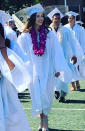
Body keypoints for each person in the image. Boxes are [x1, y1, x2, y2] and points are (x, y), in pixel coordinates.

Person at [17, 3, 72, 131]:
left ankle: (44, 123)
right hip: (33, 71)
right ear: (32, 18)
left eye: (42, 16)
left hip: (48, 69)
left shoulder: (49, 34)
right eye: (38, 16)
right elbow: (20, 53)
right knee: (37, 96)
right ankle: (42, 122)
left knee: (46, 95)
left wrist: (58, 68)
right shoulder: (25, 36)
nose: (41, 18)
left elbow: (56, 51)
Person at [48, 8, 84, 101]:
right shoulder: (47, 31)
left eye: (58, 19)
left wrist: (74, 55)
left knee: (64, 75)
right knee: (52, 75)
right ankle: (56, 90)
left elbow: (71, 43)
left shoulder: (65, 30)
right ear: (52, 19)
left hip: (63, 57)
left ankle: (63, 94)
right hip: (51, 58)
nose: (56, 20)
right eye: (55, 18)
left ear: (60, 20)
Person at [0, 22, 31, 131]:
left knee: (13, 122)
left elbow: (17, 71)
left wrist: (3, 49)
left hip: (8, 93)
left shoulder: (12, 46)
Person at [65, 11, 85, 91]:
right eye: (69, 18)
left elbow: (83, 41)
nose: (70, 20)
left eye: (72, 18)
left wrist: (82, 51)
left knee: (76, 67)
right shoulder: (65, 28)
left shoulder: (80, 29)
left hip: (77, 51)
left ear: (75, 19)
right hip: (68, 51)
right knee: (70, 68)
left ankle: (77, 82)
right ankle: (72, 84)